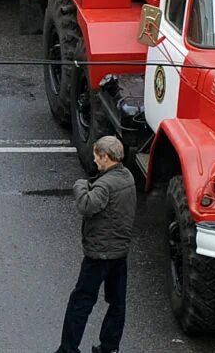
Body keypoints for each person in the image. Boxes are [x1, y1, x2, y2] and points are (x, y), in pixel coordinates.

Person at [57, 135, 136, 353]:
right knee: (117, 303)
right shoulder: (127, 177)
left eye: (96, 157)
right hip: (120, 253)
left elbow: (86, 205)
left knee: (80, 302)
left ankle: (68, 348)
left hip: (99, 255)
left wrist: (81, 185)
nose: (95, 161)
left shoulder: (105, 185)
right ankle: (110, 347)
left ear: (105, 157)